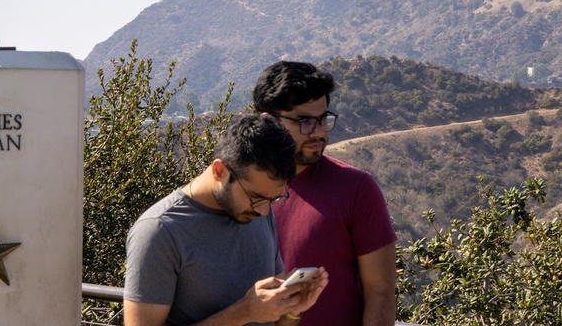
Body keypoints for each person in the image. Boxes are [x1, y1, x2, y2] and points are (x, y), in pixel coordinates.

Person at [123, 115, 328, 326]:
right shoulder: (160, 230)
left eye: (273, 199)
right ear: (220, 171)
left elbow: (275, 321)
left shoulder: (258, 213)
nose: (264, 211)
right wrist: (242, 313)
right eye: (256, 198)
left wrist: (292, 310)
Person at [253, 61, 397, 326]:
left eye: (323, 120)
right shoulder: (238, 190)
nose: (318, 132)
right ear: (268, 120)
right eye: (305, 122)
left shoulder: (356, 189)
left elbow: (380, 291)